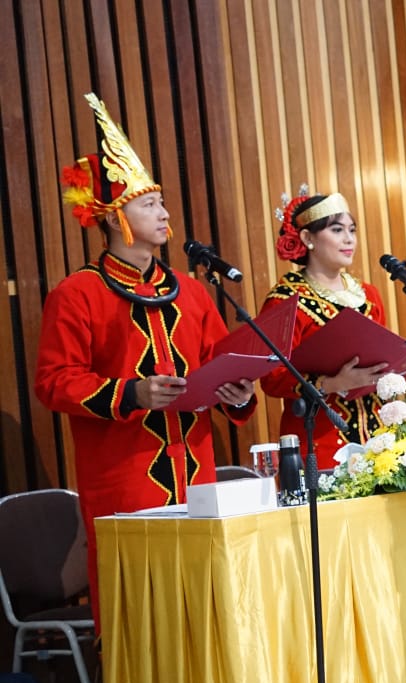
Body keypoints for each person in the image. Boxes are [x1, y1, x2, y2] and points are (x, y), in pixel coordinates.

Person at [35, 93, 257, 626]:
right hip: (125, 480)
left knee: (206, 612)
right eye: (150, 204)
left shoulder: (192, 290)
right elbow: (53, 381)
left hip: (198, 475)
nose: (165, 214)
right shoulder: (77, 293)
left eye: (162, 203)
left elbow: (218, 362)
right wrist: (132, 392)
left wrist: (238, 392)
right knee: (143, 616)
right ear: (115, 217)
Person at [261, 187, 406, 467]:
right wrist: (334, 384)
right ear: (307, 238)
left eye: (352, 230)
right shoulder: (285, 300)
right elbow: (272, 378)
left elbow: (380, 360)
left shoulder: (367, 294)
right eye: (337, 230)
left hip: (379, 437)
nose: (349, 239)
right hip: (321, 440)